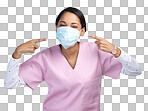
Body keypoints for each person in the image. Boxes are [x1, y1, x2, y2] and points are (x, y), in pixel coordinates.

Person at [4, 7, 142, 111]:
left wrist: (116, 51)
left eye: (74, 26)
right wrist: (16, 55)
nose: (67, 29)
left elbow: (135, 71)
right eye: (62, 25)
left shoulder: (96, 52)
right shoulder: (45, 58)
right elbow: (10, 84)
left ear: (82, 31)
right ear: (56, 28)